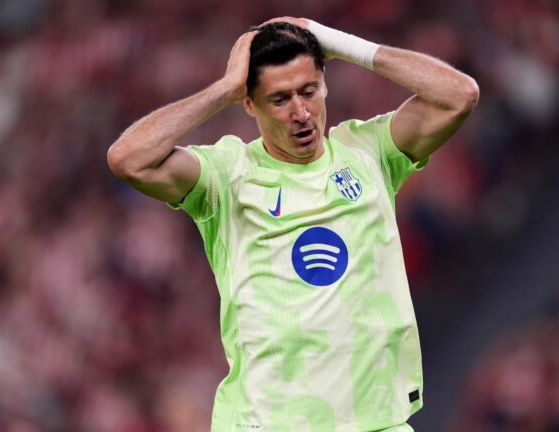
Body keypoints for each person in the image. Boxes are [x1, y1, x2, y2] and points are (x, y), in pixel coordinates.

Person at [107, 16, 478, 432]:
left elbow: (458, 96)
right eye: (280, 99)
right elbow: (129, 159)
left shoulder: (368, 150)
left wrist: (340, 43)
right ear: (250, 105)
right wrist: (224, 88)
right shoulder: (228, 176)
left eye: (309, 91)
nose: (301, 113)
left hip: (378, 420)